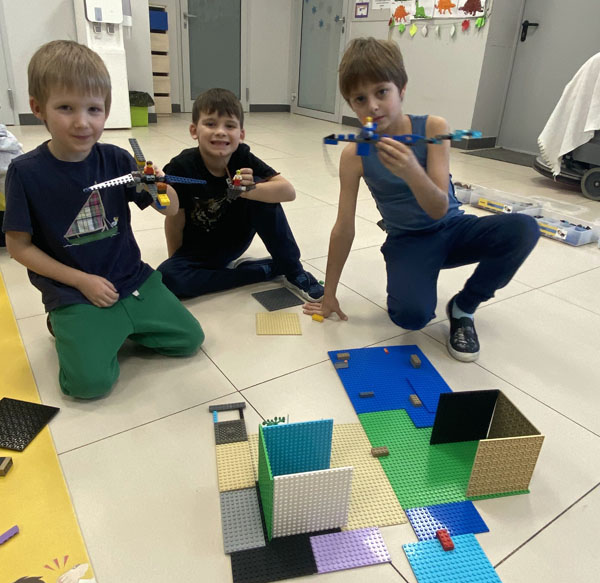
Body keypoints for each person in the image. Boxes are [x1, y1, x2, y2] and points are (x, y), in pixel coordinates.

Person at [303, 37, 539, 361]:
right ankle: (418, 273)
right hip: (408, 240)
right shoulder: (355, 154)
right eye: (360, 98)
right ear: (351, 105)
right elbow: (344, 228)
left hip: (453, 228)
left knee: (523, 229)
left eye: (381, 92)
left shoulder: (432, 128)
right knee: (411, 317)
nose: (372, 106)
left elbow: (440, 208)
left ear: (401, 90)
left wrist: (412, 170)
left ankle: (464, 307)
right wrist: (329, 295)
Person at [2, 40, 203, 399]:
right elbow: (19, 248)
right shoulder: (24, 173)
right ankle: (69, 325)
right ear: (38, 108)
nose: (82, 122)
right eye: (66, 108)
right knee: (88, 386)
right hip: (73, 290)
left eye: (93, 109)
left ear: (106, 112)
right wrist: (81, 281)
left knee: (189, 339)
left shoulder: (117, 159)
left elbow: (170, 209)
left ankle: (114, 327)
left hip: (131, 277)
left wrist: (160, 185)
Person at [157, 88, 324, 302]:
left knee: (261, 189)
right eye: (210, 124)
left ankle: (292, 268)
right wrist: (176, 261)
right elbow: (174, 219)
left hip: (235, 239)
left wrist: (250, 190)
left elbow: (288, 192)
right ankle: (263, 270)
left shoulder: (242, 158)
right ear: (194, 130)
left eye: (229, 125)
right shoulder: (181, 166)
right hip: (198, 250)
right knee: (168, 278)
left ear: (241, 135)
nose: (220, 131)